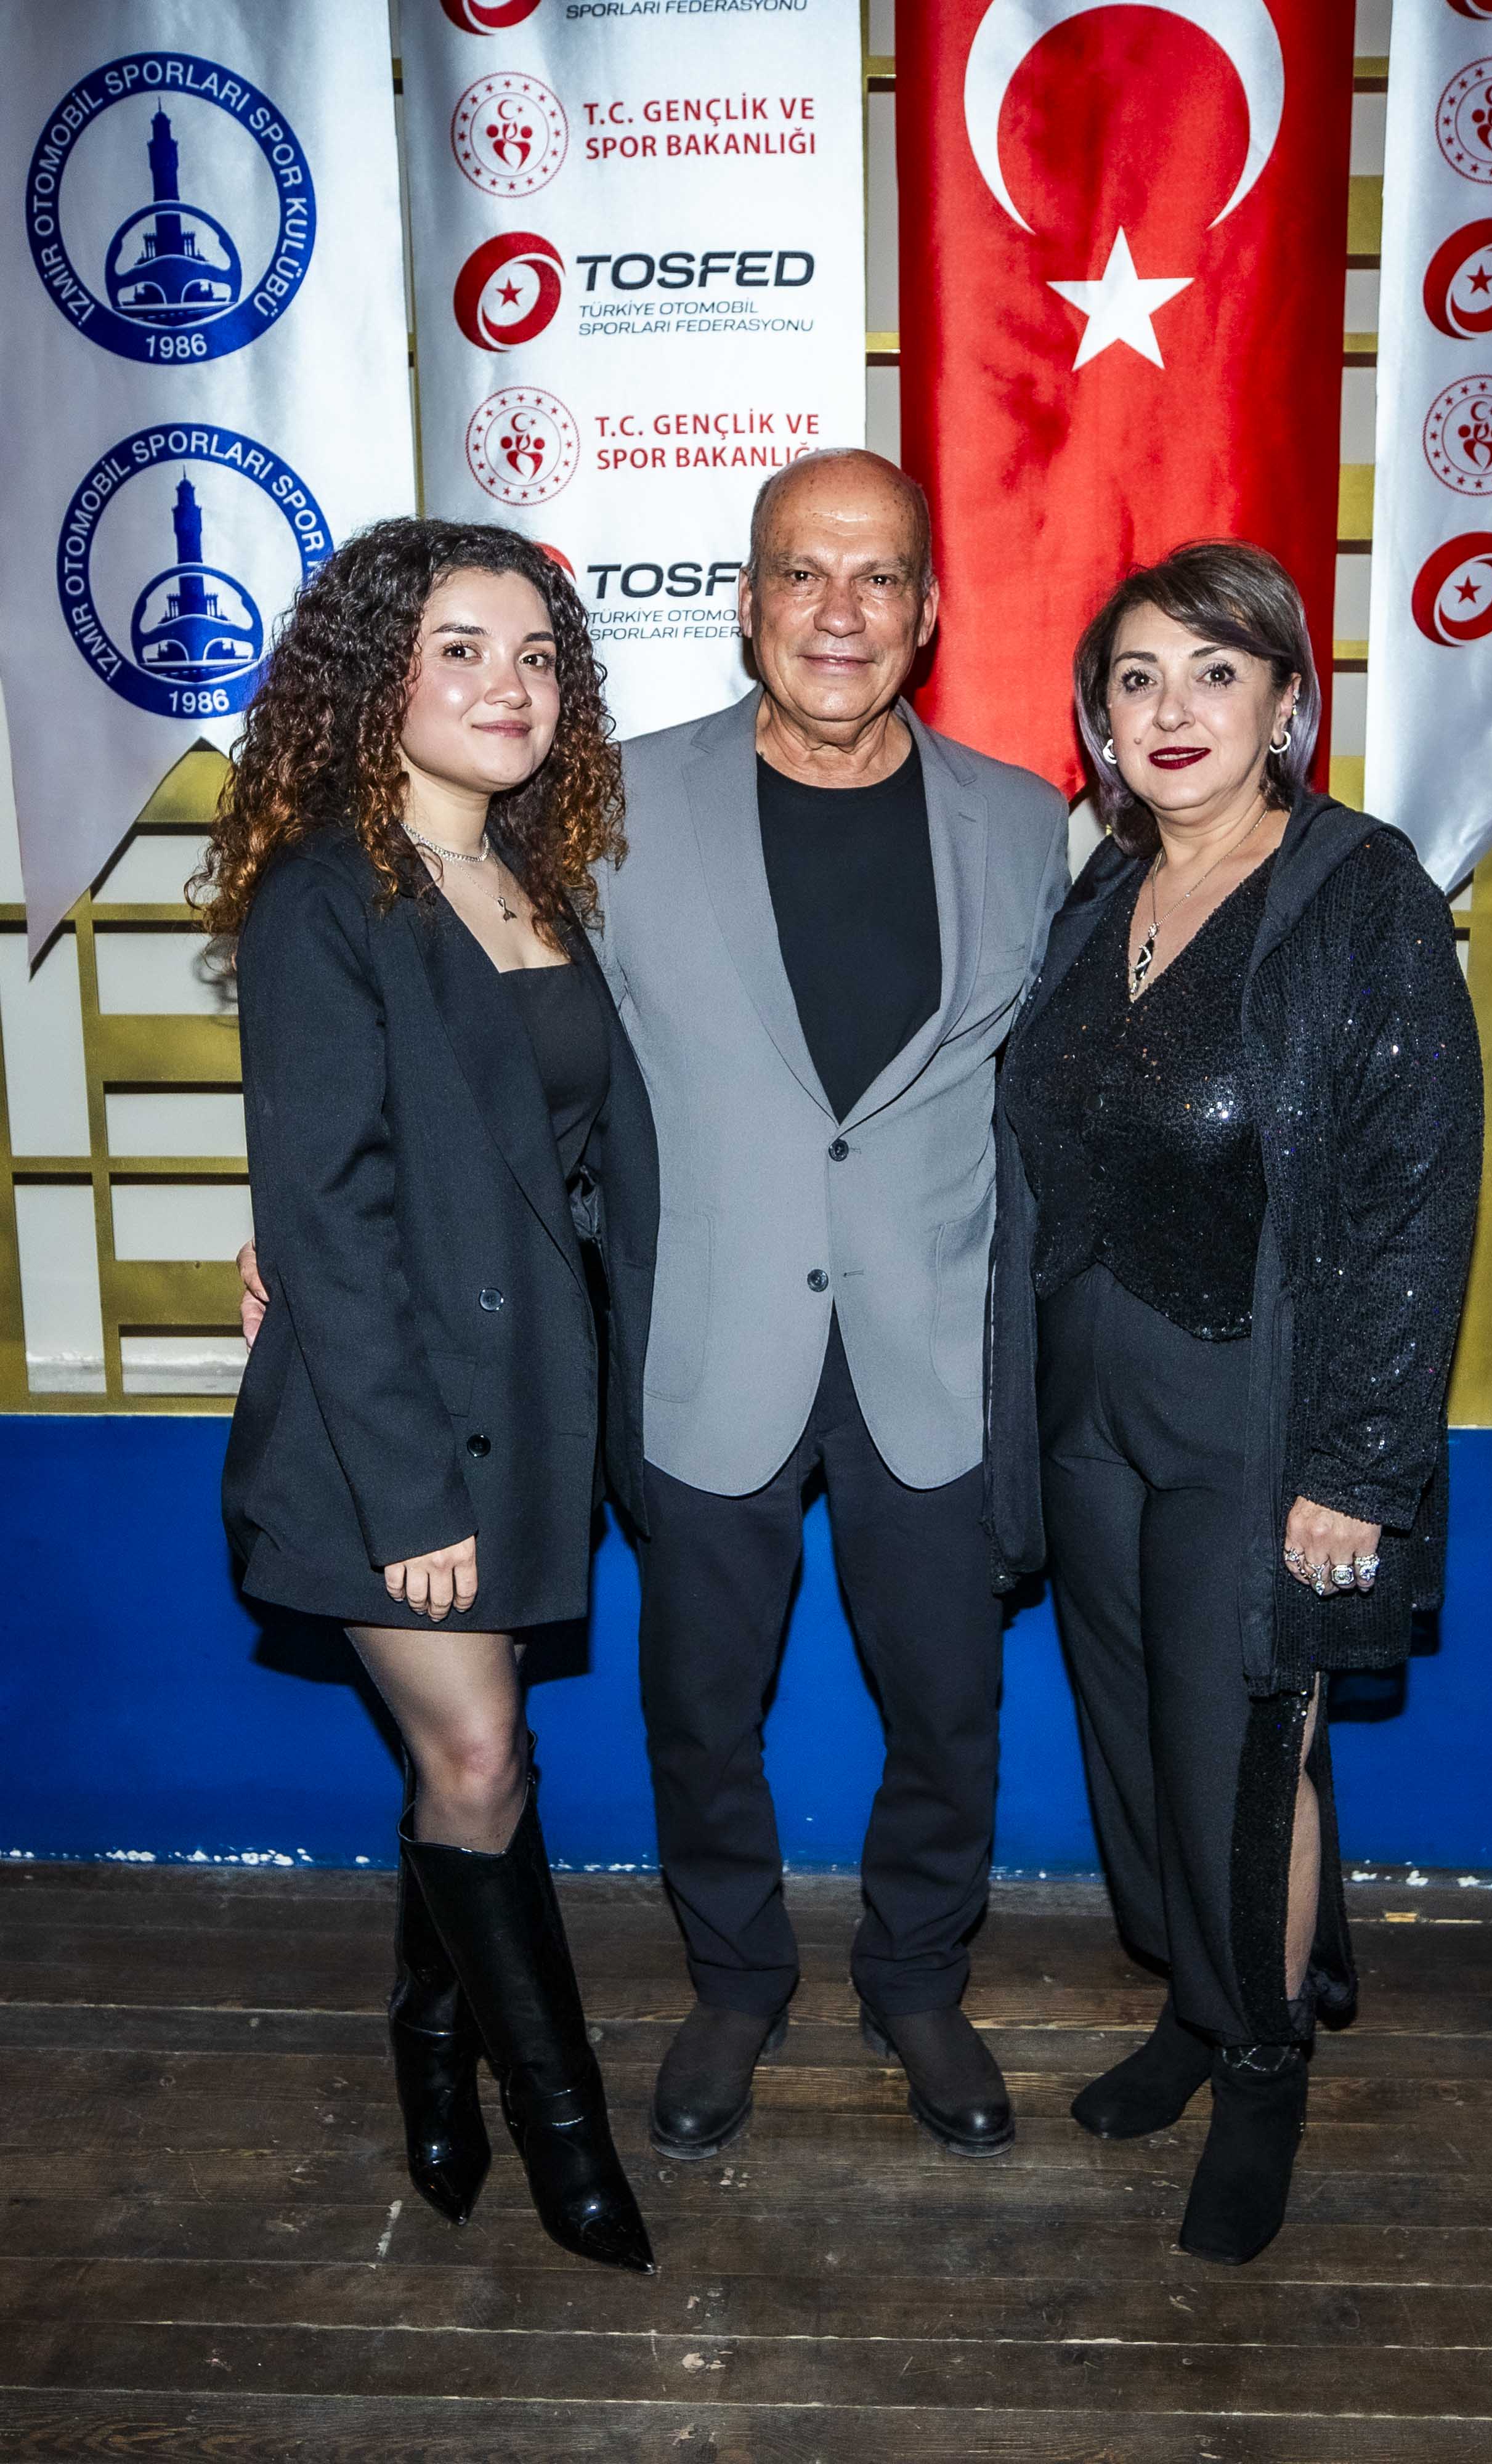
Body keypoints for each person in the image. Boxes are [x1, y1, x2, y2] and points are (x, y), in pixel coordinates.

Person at [990, 541, 1483, 2264]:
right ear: (1098, 721)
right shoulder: (1093, 896)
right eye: (1136, 679)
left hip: (1257, 1417)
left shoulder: (1358, 893)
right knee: (1134, 1741)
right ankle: (1200, 2011)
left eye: (1215, 671)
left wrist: (1359, 1465)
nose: (1173, 709)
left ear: (1286, 701)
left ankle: (1265, 2068)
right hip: (1087, 1405)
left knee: (1247, 1751)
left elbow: (1418, 1197)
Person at [597, 448, 1069, 2160]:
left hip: (930, 1352)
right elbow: (523, 1062)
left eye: (878, 577)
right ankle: (733, 1980)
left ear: (929, 611)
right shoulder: (612, 806)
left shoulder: (1024, 822)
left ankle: (918, 1979)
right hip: (708, 1340)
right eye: (803, 571)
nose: (839, 611)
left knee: (949, 1709)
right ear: (746, 604)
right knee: (699, 1709)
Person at [200, 518, 659, 2274]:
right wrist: (411, 1500)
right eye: (460, 649)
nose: (507, 684)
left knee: (481, 1762)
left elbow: (561, 1170)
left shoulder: (534, 884)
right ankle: (569, 2142)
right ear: (372, 677)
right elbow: (328, 1215)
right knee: (476, 1750)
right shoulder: (327, 895)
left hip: (528, 1404)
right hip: (377, 1431)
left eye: (536, 654)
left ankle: (429, 2042)